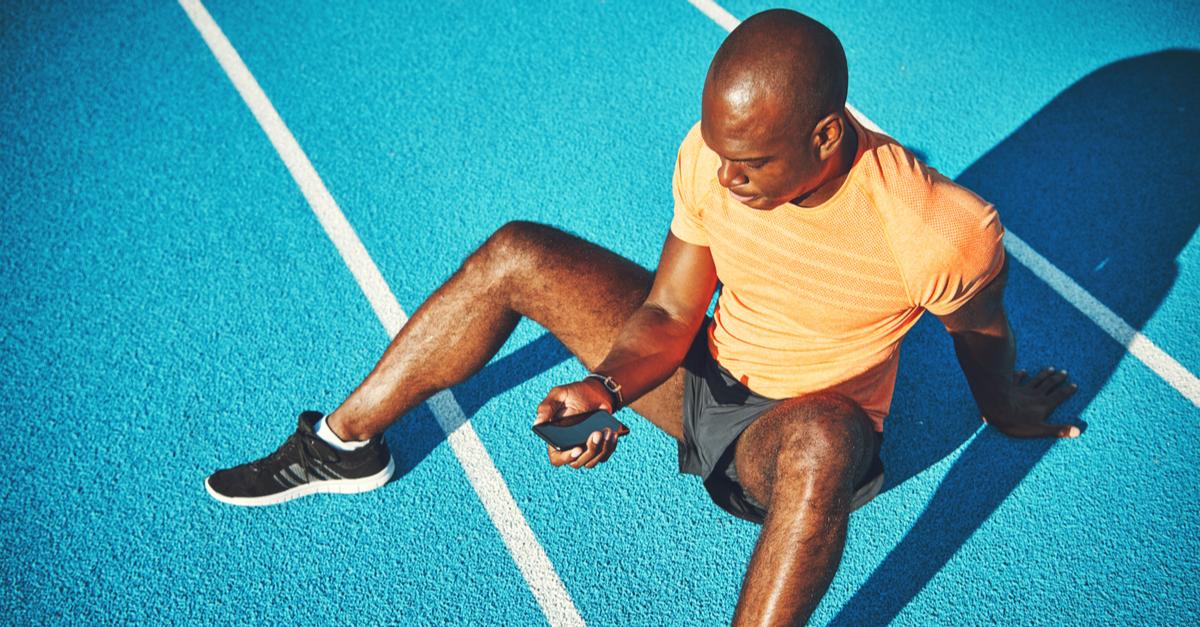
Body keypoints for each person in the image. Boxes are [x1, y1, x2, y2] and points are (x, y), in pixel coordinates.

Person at [205, 9, 1079, 624]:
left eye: (750, 162)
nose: (724, 176)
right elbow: (667, 308)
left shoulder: (938, 230)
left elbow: (983, 330)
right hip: (702, 372)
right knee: (518, 251)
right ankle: (344, 443)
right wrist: (605, 386)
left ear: (824, 136)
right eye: (719, 150)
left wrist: (1003, 407)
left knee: (823, 442)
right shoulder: (713, 153)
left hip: (791, 437)